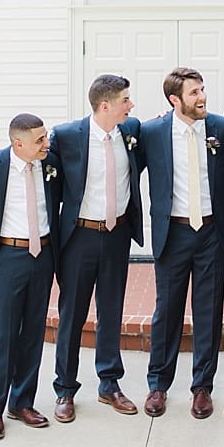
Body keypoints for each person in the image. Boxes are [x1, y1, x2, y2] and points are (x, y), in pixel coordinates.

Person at [137, 68, 224, 419]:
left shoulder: (222, 128)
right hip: (173, 232)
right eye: (194, 92)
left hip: (211, 233)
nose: (202, 96)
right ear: (174, 100)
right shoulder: (151, 132)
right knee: (168, 311)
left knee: (208, 312)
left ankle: (202, 388)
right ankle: (158, 385)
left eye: (203, 89)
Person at [50, 74, 144, 422]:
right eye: (125, 101)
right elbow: (51, 187)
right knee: (72, 314)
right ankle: (64, 388)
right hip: (80, 237)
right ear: (105, 105)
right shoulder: (67, 137)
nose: (131, 106)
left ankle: (109, 384)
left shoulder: (131, 132)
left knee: (111, 310)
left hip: (117, 234)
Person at [0, 114, 62, 439]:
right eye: (39, 140)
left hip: (44, 255)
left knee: (34, 331)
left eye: (46, 137)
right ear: (17, 143)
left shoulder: (51, 164)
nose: (46, 144)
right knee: (3, 336)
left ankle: (22, 402)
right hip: (9, 256)